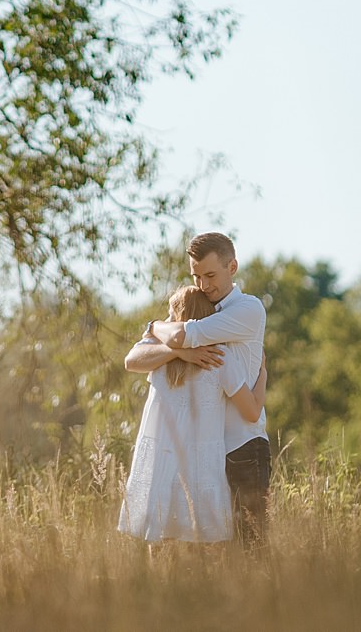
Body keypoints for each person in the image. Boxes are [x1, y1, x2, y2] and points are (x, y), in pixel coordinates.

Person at [124, 232, 271, 547]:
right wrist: (177, 350)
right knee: (217, 552)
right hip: (207, 453)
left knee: (251, 547)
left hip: (242, 447)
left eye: (210, 275)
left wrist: (156, 330)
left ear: (232, 267)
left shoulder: (247, 309)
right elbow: (134, 358)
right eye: (197, 276)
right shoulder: (197, 307)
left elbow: (186, 334)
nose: (204, 284)